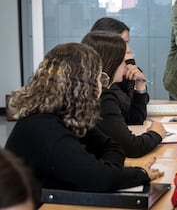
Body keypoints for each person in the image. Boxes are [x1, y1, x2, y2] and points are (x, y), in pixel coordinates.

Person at [5, 42, 164, 192]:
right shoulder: (46, 128)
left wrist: (106, 171)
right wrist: (140, 174)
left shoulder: (64, 114)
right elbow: (99, 178)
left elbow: (112, 148)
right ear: (84, 85)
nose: (101, 84)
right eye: (98, 78)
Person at [82, 31, 166, 158]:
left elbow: (134, 120)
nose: (127, 65)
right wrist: (156, 134)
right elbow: (131, 147)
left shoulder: (97, 91)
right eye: (122, 60)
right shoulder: (102, 98)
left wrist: (140, 87)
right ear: (111, 62)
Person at [91, 17, 149, 125]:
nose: (129, 49)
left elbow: (140, 106)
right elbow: (131, 113)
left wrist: (137, 83)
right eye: (123, 43)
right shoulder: (102, 79)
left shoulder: (121, 69)